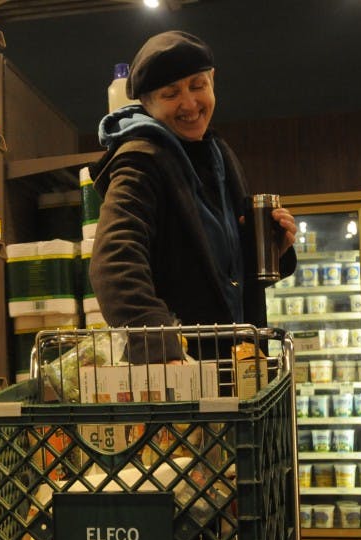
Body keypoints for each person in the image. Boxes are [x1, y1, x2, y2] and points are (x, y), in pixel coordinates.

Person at [89, 30, 297, 362]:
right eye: (171, 94)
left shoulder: (218, 154)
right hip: (185, 377)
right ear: (147, 103)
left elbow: (220, 273)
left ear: (212, 81)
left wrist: (273, 249)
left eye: (197, 86)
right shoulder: (141, 159)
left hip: (238, 366)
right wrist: (159, 348)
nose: (189, 104)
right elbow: (114, 262)